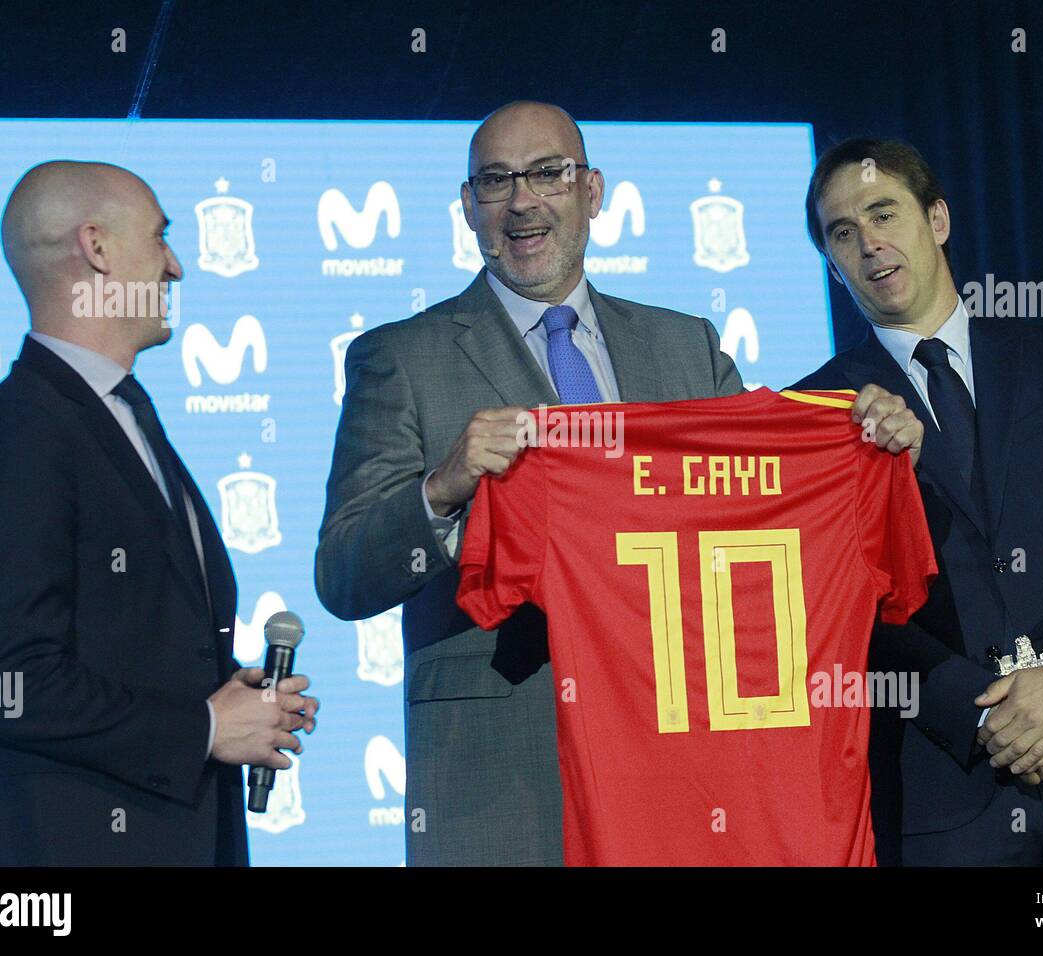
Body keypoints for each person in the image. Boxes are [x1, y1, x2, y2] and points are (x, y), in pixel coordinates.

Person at [315, 102, 922, 865]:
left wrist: (864, 447)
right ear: (469, 208)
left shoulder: (686, 347)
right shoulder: (401, 357)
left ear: (593, 192)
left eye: (549, 173)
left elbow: (762, 520)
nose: (523, 201)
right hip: (506, 780)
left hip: (680, 771)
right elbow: (343, 576)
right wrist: (441, 490)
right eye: (496, 181)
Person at [794, 138, 1043, 865]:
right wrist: (987, 717)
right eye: (842, 233)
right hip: (942, 787)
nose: (868, 243)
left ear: (937, 219)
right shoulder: (817, 408)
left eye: (884, 213)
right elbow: (840, 601)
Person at [0, 161, 318, 866]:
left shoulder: (119, 417)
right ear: (98, 248)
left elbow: (126, 638)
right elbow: (13, 684)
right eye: (160, 238)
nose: (174, 267)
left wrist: (225, 693)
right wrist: (202, 727)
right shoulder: (17, 433)